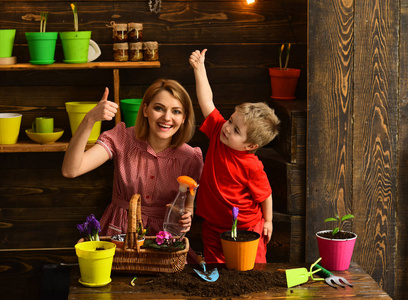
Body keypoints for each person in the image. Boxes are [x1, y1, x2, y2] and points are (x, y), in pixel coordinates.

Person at [62, 79, 203, 238]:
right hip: (119, 233)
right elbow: (70, 170)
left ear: (184, 117)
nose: (167, 117)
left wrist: (187, 218)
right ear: (145, 110)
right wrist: (89, 120)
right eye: (159, 108)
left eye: (176, 111)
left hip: (164, 239)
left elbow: (188, 207)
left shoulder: (191, 157)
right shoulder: (122, 138)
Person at [189, 49, 280, 264]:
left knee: (251, 269)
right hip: (213, 224)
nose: (228, 128)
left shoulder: (252, 166)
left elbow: (265, 195)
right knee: (215, 268)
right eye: (230, 120)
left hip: (247, 228)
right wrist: (199, 68)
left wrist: (268, 221)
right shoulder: (218, 131)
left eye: (236, 130)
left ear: (251, 145)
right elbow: (206, 101)